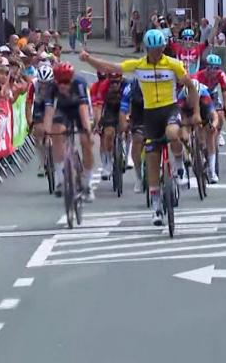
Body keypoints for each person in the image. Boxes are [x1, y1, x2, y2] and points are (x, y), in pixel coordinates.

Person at [80, 29, 199, 226]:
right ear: (146, 48)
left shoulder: (174, 65)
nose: (155, 53)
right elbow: (111, 67)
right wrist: (88, 59)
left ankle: (179, 166)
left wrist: (195, 112)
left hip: (169, 108)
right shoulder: (139, 65)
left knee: (172, 133)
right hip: (150, 114)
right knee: (152, 160)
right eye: (152, 49)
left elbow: (191, 87)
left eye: (159, 49)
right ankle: (156, 206)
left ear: (163, 47)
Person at [40, 62, 96, 201]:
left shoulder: (79, 84)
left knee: (86, 142)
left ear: (71, 79)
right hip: (63, 110)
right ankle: (61, 179)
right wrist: (47, 134)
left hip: (79, 109)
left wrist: (88, 131)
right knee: (56, 132)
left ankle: (87, 184)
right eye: (60, 82)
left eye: (66, 82)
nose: (63, 86)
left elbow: (84, 110)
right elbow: (49, 112)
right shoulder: (52, 87)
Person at [193, 54, 226, 183]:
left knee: (219, 114)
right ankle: (200, 144)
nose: (213, 71)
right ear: (206, 68)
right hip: (199, 97)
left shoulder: (220, 75)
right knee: (200, 124)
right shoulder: (198, 75)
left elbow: (225, 92)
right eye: (210, 68)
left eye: (216, 68)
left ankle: (218, 132)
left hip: (212, 96)